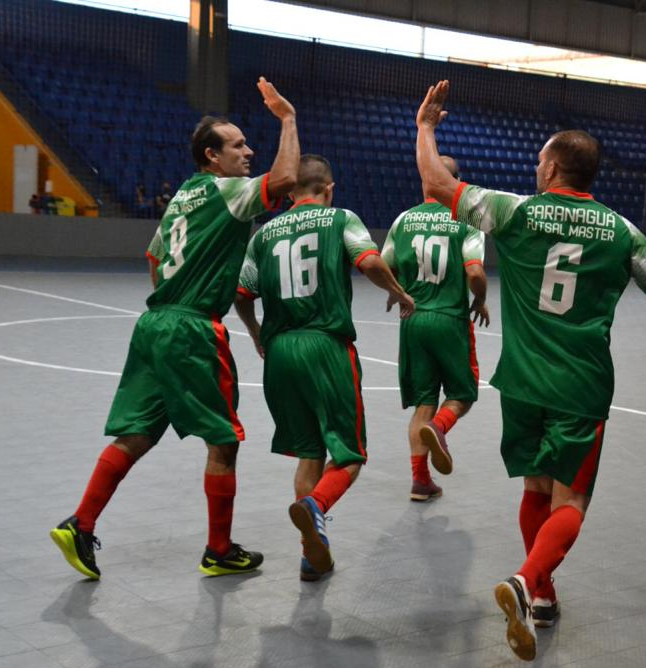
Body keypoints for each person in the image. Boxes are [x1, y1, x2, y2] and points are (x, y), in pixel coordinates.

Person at [415, 80, 646, 661]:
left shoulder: (515, 212)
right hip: (582, 384)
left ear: (555, 166)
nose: (535, 166)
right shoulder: (621, 230)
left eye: (540, 159)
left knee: (536, 487)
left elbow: (437, 185)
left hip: (522, 380)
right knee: (572, 501)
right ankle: (525, 579)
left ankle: (542, 595)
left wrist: (426, 128)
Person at [49, 77, 301, 580]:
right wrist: (288, 119)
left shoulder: (184, 194)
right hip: (190, 329)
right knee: (224, 441)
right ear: (212, 156)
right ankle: (219, 549)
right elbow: (287, 178)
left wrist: (175, 293)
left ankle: (80, 523)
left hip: (154, 323)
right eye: (237, 146)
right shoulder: (228, 192)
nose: (248, 151)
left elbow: (154, 256)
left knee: (137, 433)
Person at [234, 154, 415, 582]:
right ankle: (316, 507)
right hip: (326, 346)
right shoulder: (339, 219)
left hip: (279, 354)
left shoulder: (263, 234)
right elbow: (369, 261)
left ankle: (310, 554)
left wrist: (257, 332)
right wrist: (400, 292)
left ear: (290, 192)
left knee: (308, 452)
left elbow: (242, 293)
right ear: (328, 189)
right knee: (349, 455)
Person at [381, 156, 489, 502]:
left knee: (423, 401)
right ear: (455, 182)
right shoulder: (465, 220)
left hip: (412, 321)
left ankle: (420, 481)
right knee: (462, 394)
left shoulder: (402, 220)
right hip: (449, 320)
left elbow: (383, 265)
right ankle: (439, 428)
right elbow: (474, 273)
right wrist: (480, 299)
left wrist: (396, 292)